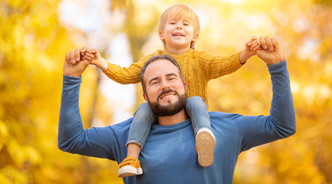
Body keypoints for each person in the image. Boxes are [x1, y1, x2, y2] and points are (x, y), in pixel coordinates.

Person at [59, 36, 296, 184]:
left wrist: (277, 66)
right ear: (145, 95)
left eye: (171, 78)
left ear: (184, 85)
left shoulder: (224, 128)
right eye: (154, 82)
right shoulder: (126, 136)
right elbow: (71, 141)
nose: (164, 85)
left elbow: (282, 126)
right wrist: (71, 79)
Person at [76, 4, 260, 177]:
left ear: (194, 35)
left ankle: (203, 137)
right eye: (173, 23)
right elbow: (127, 75)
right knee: (143, 109)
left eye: (185, 24)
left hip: (192, 115)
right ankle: (132, 158)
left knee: (195, 101)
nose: (178, 27)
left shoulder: (200, 60)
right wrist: (101, 62)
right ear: (161, 34)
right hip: (162, 114)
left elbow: (223, 65)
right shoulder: (153, 61)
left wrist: (246, 54)